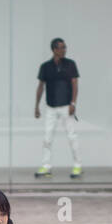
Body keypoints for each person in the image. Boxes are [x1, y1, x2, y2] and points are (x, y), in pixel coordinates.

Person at [34, 38, 81, 178]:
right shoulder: (46, 66)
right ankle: (46, 166)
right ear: (54, 49)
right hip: (51, 107)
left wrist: (73, 103)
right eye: (61, 47)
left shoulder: (70, 64)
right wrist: (36, 106)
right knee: (47, 137)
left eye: (65, 47)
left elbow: (75, 84)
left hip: (66, 106)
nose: (64, 50)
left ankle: (78, 165)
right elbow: (41, 86)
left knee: (72, 136)